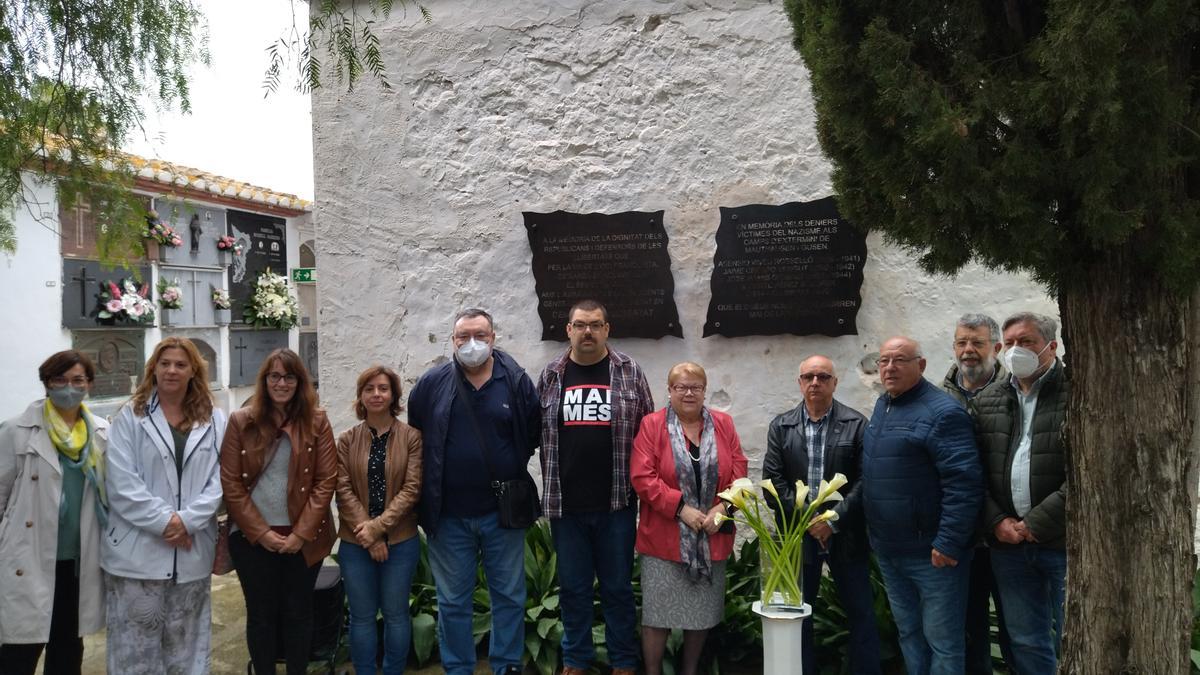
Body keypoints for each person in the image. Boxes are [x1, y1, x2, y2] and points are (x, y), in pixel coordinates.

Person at [406, 308, 540, 675]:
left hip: (503, 514)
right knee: (452, 601)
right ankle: (458, 667)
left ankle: (507, 665)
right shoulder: (432, 384)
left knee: (509, 597)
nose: (471, 343)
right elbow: (416, 431)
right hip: (448, 515)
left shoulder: (515, 381)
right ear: (453, 341)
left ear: (493, 337)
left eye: (479, 334)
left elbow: (531, 434)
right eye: (463, 337)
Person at [536, 300, 653, 675]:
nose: (588, 331)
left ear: (607, 329)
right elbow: (534, 433)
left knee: (618, 588)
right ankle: (576, 659)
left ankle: (622, 661)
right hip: (566, 506)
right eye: (580, 325)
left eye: (596, 325)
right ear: (568, 330)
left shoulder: (629, 371)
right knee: (573, 589)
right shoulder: (551, 375)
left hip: (616, 504)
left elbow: (648, 435)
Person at [101, 337, 226, 674]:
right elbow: (122, 483)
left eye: (180, 364)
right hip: (137, 554)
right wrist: (166, 524)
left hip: (191, 553)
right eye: (165, 363)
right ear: (153, 369)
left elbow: (222, 480)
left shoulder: (215, 419)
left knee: (187, 649)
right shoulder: (131, 416)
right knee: (135, 653)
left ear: (193, 372)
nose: (172, 370)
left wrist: (186, 522)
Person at [862, 336, 983, 675]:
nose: (889, 367)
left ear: (921, 365)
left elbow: (964, 483)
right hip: (889, 551)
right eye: (883, 361)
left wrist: (948, 541)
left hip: (932, 555)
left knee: (942, 642)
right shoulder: (884, 405)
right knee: (910, 633)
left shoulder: (943, 413)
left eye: (899, 360)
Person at [220, 348, 336, 675]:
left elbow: (326, 479)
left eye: (289, 376)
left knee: (299, 613)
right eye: (274, 376)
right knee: (260, 615)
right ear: (265, 380)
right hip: (252, 539)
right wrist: (261, 532)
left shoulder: (317, 421)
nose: (281, 383)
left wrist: (300, 533)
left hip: (304, 538)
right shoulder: (241, 421)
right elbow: (230, 482)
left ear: (300, 381)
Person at [763, 355, 880, 675]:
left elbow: (865, 480)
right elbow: (773, 482)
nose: (815, 382)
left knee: (861, 613)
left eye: (823, 377)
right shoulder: (782, 426)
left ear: (835, 383)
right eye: (809, 377)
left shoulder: (857, 424)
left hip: (846, 534)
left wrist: (833, 520)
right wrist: (808, 522)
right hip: (798, 537)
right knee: (799, 614)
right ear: (800, 383)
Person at [630, 362, 748, 675]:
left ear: (704, 390)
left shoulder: (723, 424)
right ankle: (653, 671)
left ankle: (690, 670)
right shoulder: (652, 425)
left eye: (695, 386)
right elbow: (642, 476)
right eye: (681, 387)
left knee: (700, 613)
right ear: (669, 391)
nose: (688, 393)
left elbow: (740, 474)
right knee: (657, 617)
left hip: (710, 536)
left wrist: (723, 509)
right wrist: (681, 508)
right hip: (663, 540)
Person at [0, 351, 108, 675]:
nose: (68, 388)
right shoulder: (17, 430)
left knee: (67, 650)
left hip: (77, 563)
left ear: (89, 384)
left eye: (77, 380)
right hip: (27, 557)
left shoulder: (101, 433)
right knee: (19, 652)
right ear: (46, 383)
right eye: (59, 380)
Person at [975, 312, 1067, 675]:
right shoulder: (988, 401)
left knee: (1072, 633)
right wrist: (996, 522)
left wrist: (1034, 524)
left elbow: (1089, 475)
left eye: (1026, 342)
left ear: (1051, 346)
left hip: (1062, 542)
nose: (1016, 350)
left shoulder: (1078, 392)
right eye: (1010, 343)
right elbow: (972, 474)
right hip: (1008, 546)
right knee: (1026, 639)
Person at [336, 365, 423, 675]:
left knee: (396, 614)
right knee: (360, 616)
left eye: (383, 388)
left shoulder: (411, 437)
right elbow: (343, 489)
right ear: (361, 395)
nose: (376, 394)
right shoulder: (346, 440)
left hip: (400, 541)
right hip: (354, 542)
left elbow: (412, 489)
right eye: (369, 388)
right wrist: (369, 534)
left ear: (393, 395)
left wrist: (378, 528)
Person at [940, 313, 1011, 674]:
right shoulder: (938, 398)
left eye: (977, 343)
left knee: (1019, 632)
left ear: (996, 348)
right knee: (970, 630)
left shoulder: (1017, 393)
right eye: (962, 343)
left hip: (1010, 536)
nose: (968, 351)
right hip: (962, 539)